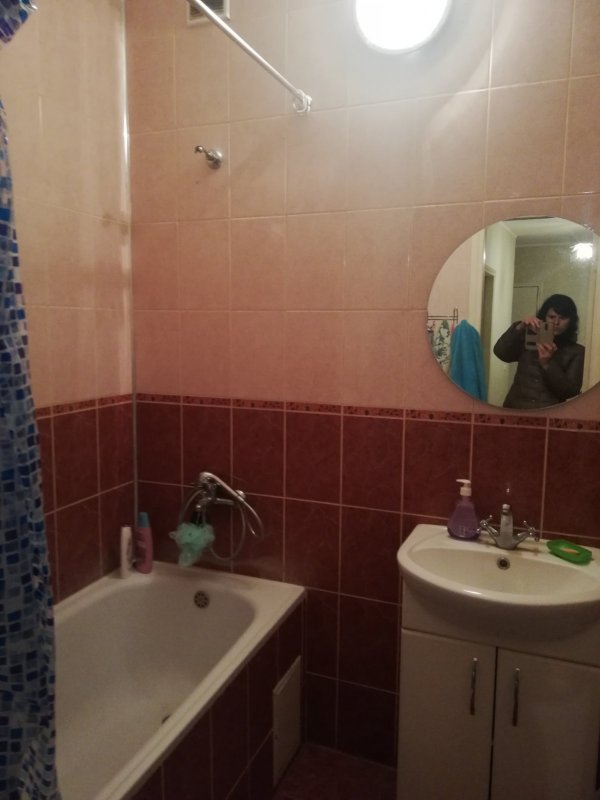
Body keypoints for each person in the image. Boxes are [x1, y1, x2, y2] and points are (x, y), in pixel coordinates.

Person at [493, 294, 585, 409]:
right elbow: (501, 353)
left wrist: (547, 364)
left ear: (571, 321)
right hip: (515, 408)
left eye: (562, 318)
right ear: (544, 316)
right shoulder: (529, 338)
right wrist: (519, 327)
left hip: (549, 413)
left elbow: (569, 391)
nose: (556, 322)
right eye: (552, 316)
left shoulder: (576, 351)